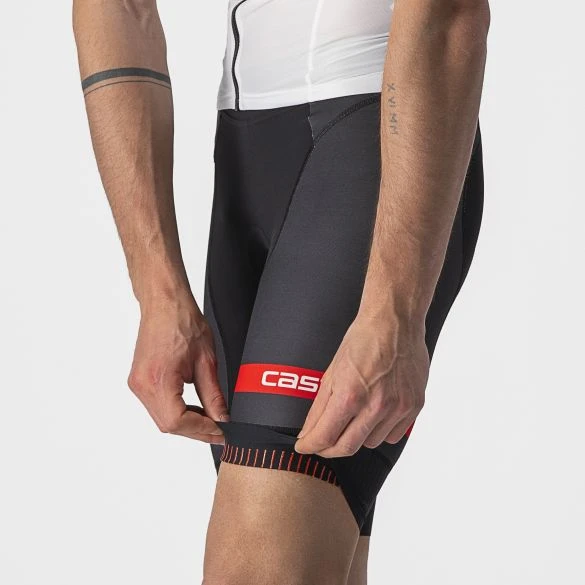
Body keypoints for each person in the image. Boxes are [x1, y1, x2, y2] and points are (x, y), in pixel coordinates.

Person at [73, 0, 489, 583]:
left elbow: (448, 12)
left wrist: (394, 312)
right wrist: (158, 290)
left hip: (375, 139)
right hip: (244, 157)